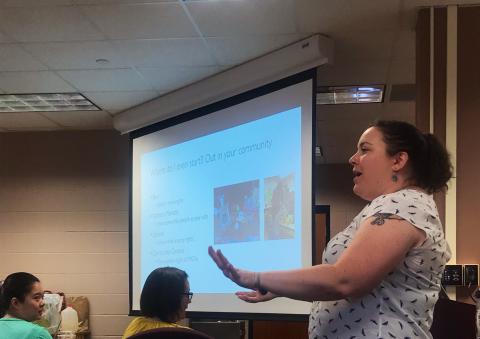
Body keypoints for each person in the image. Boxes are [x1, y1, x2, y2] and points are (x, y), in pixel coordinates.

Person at [209, 120, 452, 339]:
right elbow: (351, 285)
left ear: (398, 160)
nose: (353, 158)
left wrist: (255, 277)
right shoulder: (393, 206)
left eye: (365, 149)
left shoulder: (402, 203)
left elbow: (344, 279)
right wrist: (278, 287)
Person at [122, 267, 193, 339]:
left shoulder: (136, 325)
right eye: (187, 294)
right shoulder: (184, 334)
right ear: (171, 297)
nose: (189, 301)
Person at [0, 272, 51, 339]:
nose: (42, 303)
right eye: (36, 298)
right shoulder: (38, 334)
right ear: (15, 303)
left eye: (42, 297)